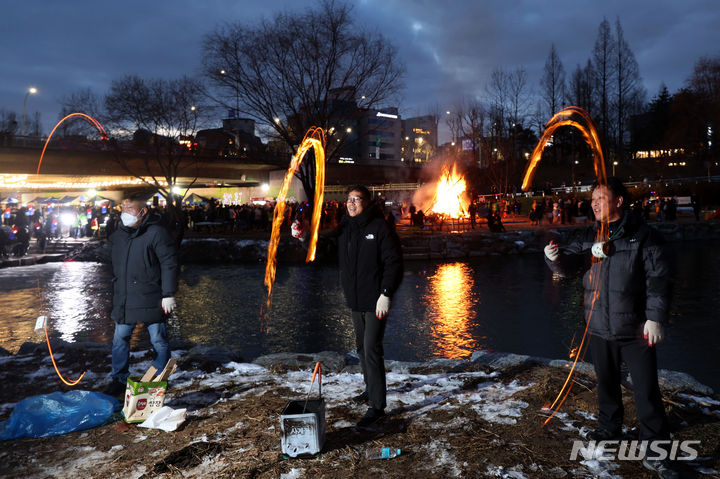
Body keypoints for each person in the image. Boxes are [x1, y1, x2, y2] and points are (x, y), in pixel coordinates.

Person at [543, 178, 677, 479]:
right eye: (592, 198)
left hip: (635, 328)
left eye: (601, 197)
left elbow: (658, 279)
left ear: (618, 201)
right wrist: (554, 260)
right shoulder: (590, 235)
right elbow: (570, 264)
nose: (593, 203)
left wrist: (655, 317)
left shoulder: (643, 236)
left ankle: (655, 447)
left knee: (646, 389)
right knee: (605, 383)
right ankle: (609, 429)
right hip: (599, 325)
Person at [337, 185, 403, 427]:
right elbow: (324, 248)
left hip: (376, 300)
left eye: (357, 199)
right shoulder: (346, 228)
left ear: (368, 201)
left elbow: (393, 262)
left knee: (372, 349)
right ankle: (370, 388)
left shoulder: (380, 227)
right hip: (356, 300)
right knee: (361, 349)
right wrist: (303, 237)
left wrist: (386, 293)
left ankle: (377, 406)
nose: (351, 203)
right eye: (348, 199)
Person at [101, 193, 178, 396]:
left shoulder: (157, 233)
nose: (125, 213)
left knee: (158, 340)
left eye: (130, 209)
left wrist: (168, 293)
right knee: (120, 340)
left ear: (143, 212)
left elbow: (169, 263)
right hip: (125, 299)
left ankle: (160, 376)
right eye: (123, 209)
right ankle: (119, 378)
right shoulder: (118, 235)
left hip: (151, 296)